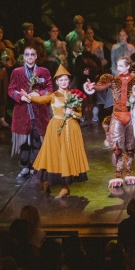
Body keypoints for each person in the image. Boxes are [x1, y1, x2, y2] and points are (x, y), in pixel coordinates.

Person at [16, 64, 92, 198]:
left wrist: (72, 113)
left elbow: (80, 114)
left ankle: (64, 187)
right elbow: (40, 99)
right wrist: (29, 97)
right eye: (61, 80)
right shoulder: (53, 95)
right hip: (56, 129)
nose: (64, 82)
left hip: (71, 129)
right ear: (57, 82)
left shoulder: (74, 95)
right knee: (54, 155)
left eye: (66, 80)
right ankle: (48, 181)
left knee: (66, 157)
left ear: (69, 81)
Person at [91, 56, 135, 188]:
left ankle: (128, 173)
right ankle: (118, 174)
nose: (118, 68)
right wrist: (92, 86)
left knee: (130, 148)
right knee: (116, 148)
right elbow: (101, 87)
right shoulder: (114, 80)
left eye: (121, 66)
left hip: (131, 116)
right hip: (117, 116)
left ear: (128, 67)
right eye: (117, 66)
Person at [7, 46, 53, 179]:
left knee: (37, 139)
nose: (30, 57)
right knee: (24, 141)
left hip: (39, 111)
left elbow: (49, 88)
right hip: (23, 112)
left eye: (32, 54)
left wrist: (38, 93)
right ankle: (25, 166)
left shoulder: (43, 71)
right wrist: (21, 97)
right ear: (23, 56)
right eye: (27, 54)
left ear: (36, 56)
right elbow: (11, 90)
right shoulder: (17, 72)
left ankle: (35, 166)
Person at [0, 26, 14, 129]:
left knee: (4, 95)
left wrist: (10, 61)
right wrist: (1, 54)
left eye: (1, 32)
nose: (0, 34)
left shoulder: (4, 44)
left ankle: (2, 117)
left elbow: (9, 58)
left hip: (4, 72)